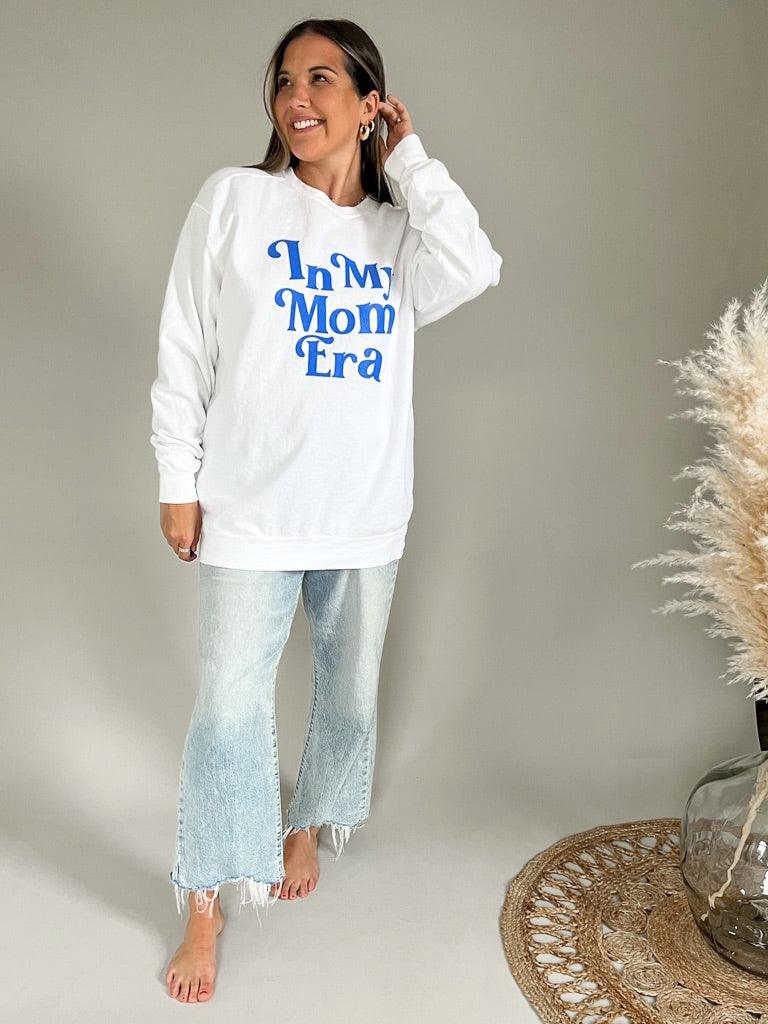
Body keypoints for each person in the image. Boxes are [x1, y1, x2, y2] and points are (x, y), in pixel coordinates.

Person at [150, 16, 502, 1005]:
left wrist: (410, 158)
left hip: (363, 510)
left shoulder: (397, 235)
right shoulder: (235, 199)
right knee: (228, 710)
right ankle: (207, 899)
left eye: (320, 80)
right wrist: (178, 479)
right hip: (251, 507)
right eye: (283, 82)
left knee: (348, 695)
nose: (296, 99)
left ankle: (307, 823)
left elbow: (477, 264)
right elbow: (185, 343)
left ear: (367, 102)